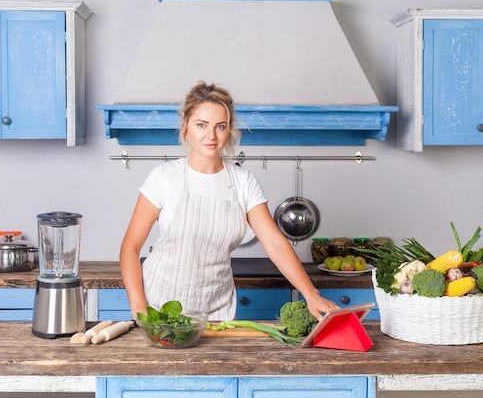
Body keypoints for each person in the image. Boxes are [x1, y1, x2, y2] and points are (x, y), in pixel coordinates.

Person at [120, 80, 338, 321]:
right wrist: (139, 309)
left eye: (220, 126)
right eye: (201, 125)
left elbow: (275, 243)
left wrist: (310, 293)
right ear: (186, 126)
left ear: (229, 128)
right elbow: (130, 248)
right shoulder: (164, 177)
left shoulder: (244, 182)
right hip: (160, 304)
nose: (210, 135)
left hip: (217, 310)